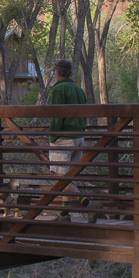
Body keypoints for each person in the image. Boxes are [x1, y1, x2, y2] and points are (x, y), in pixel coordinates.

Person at [45, 60, 92, 219]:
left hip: (64, 138)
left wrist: (53, 136)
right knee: (66, 177)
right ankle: (64, 213)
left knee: (59, 177)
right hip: (78, 137)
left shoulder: (59, 89)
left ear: (57, 73)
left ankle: (86, 202)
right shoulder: (79, 89)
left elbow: (57, 115)